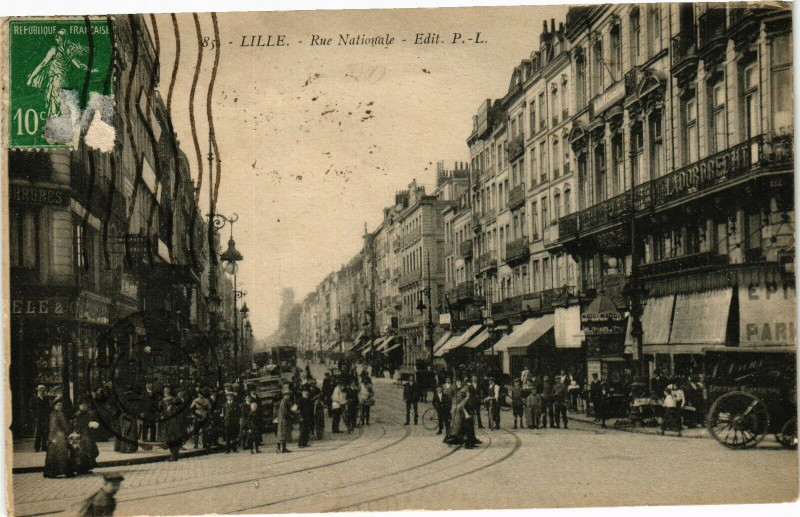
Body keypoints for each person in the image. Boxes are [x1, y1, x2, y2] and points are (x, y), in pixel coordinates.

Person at [43, 399, 73, 478]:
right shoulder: (54, 414)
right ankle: (52, 473)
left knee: (62, 454)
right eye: (58, 405)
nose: (60, 407)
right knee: (54, 455)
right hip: (56, 436)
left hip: (61, 436)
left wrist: (67, 432)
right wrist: (54, 437)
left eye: (61, 405)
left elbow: (65, 425)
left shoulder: (60, 413)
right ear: (54, 406)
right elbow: (53, 427)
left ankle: (62, 471)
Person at [71, 400, 99, 474]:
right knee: (81, 453)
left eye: (85, 405)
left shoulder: (89, 414)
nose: (84, 407)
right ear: (79, 406)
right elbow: (76, 425)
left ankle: (86, 468)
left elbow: (92, 421)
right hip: (82, 436)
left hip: (89, 435)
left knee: (91, 451)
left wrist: (92, 426)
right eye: (82, 405)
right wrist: (78, 433)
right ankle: (80, 469)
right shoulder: (77, 415)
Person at [30, 385, 51, 452]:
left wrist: (48, 416)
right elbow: (31, 409)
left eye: (43, 391)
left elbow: (49, 408)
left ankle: (44, 446)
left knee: (45, 433)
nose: (42, 392)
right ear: (38, 391)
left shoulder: (46, 399)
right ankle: (37, 447)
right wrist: (34, 417)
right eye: (40, 390)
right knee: (37, 433)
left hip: (45, 418)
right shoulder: (33, 399)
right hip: (37, 418)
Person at [163, 395, 182, 461]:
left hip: (174, 425)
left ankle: (174, 456)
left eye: (166, 401)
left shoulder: (174, 408)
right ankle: (173, 455)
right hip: (168, 425)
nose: (165, 403)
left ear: (170, 402)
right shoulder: (167, 408)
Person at [276, 386, 293, 453]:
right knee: (282, 434)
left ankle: (283, 448)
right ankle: (279, 449)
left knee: (283, 434)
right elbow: (284, 411)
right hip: (283, 420)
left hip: (283, 420)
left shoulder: (284, 401)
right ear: (284, 395)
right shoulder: (284, 402)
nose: (289, 396)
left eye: (289, 395)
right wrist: (291, 415)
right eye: (287, 395)